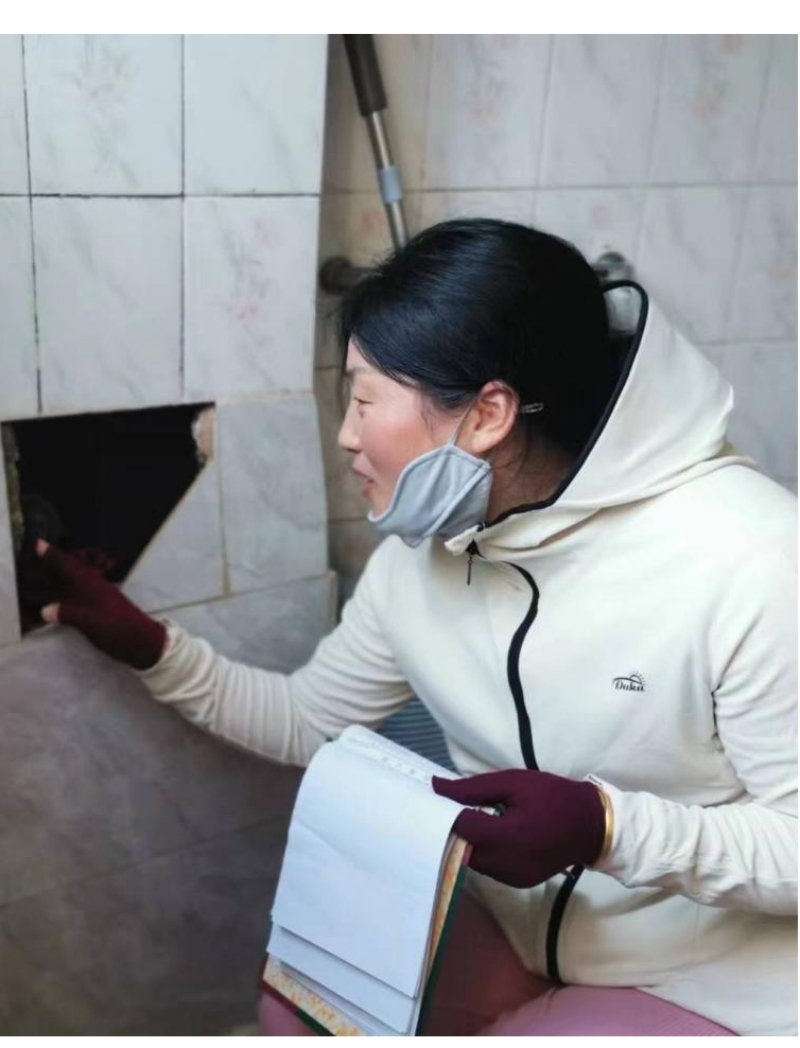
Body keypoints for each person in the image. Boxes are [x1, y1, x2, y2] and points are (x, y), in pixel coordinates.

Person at [32, 219, 797, 1037]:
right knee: (298, 1011)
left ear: (488, 414)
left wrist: (608, 829)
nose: (346, 435)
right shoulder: (427, 551)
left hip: (710, 972)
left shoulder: (751, 556)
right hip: (526, 933)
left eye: (363, 399)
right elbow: (309, 719)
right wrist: (150, 648)